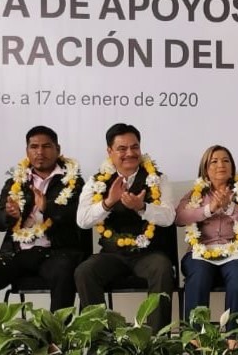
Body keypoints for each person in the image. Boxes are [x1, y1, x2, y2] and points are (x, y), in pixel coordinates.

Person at [75, 123, 177, 331]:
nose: (130, 153)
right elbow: (82, 220)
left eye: (135, 147)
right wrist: (108, 202)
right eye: (122, 149)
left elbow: (168, 217)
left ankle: (155, 343)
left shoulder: (158, 179)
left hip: (148, 254)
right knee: (85, 271)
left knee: (163, 268)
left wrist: (142, 207)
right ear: (110, 152)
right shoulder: (96, 182)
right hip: (113, 254)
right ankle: (101, 341)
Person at [0, 126, 86, 310]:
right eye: (34, 147)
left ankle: (55, 336)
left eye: (46, 146)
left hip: (55, 253)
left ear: (57, 149)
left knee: (63, 272)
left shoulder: (74, 181)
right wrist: (8, 215)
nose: (40, 152)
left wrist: (47, 207)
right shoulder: (15, 181)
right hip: (18, 253)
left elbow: (77, 218)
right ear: (27, 151)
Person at [176, 145, 238, 330]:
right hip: (201, 252)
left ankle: (233, 337)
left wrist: (230, 207)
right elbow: (179, 217)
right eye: (214, 161)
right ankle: (195, 338)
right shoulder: (194, 195)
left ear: (232, 167)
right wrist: (209, 209)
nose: (220, 164)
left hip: (234, 253)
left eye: (225, 160)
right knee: (198, 275)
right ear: (205, 169)